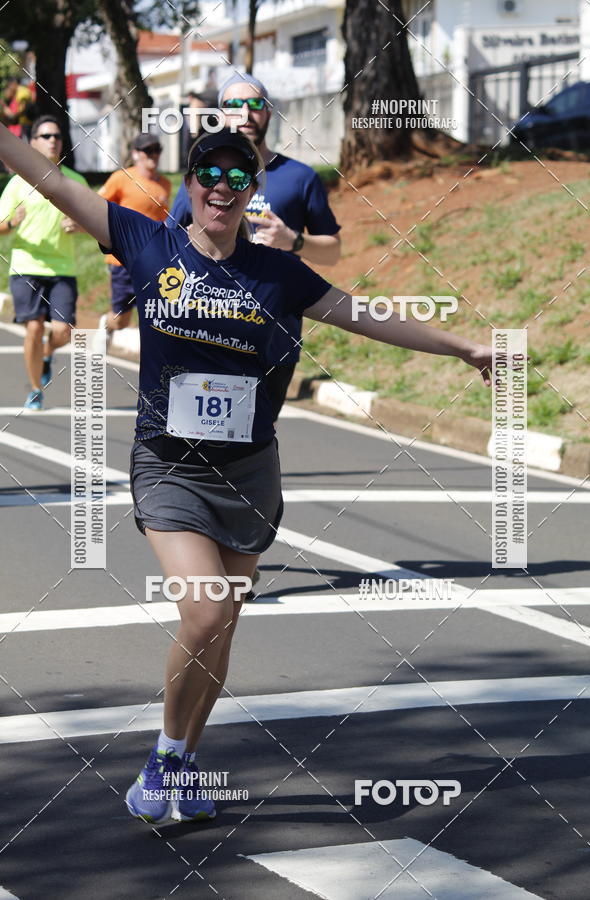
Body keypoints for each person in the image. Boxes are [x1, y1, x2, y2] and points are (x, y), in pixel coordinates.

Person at [0, 121, 493, 825]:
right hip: (169, 466)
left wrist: (462, 346)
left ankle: (186, 765)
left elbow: (368, 315)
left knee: (222, 624)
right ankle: (165, 760)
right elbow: (49, 177)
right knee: (203, 608)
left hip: (250, 473)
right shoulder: (146, 242)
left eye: (239, 177)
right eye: (210, 175)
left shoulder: (278, 273)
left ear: (253, 191)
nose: (222, 189)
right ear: (190, 184)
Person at [168, 74, 341, 420]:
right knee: (196, 442)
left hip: (273, 341)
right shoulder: (203, 175)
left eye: (255, 104)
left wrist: (294, 241)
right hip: (205, 332)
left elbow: (333, 251)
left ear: (269, 113)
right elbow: (168, 244)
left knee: (254, 445)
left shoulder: (300, 177)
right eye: (233, 105)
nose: (245, 113)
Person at [0, 115, 86, 409]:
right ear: (33, 143)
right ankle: (36, 388)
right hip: (26, 267)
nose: (53, 141)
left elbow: (98, 225)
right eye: (46, 136)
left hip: (63, 269)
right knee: (34, 328)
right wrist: (11, 222)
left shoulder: (76, 181)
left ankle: (47, 354)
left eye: (57, 136)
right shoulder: (17, 183)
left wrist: (80, 225)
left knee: (64, 332)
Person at [96, 132, 171, 343]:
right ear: (135, 154)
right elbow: (98, 206)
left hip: (153, 261)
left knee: (156, 313)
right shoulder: (122, 178)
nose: (153, 155)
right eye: (148, 150)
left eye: (157, 150)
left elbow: (164, 221)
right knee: (121, 320)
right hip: (122, 261)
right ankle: (106, 324)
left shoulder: (165, 184)